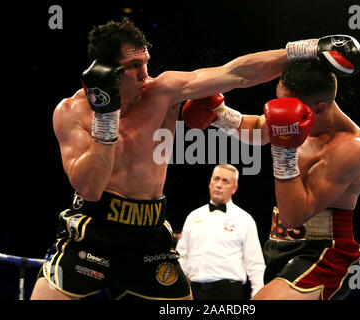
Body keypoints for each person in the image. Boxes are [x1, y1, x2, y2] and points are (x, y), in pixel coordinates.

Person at [29, 17, 332, 300]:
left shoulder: (163, 91)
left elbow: (236, 73)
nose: (145, 75)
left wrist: (305, 49)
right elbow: (90, 188)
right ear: (106, 71)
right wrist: (106, 118)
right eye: (134, 66)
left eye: (145, 62)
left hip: (149, 236)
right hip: (92, 231)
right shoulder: (71, 112)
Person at [182, 35, 360, 300]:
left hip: (325, 254)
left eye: (288, 107)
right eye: (279, 104)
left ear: (318, 107)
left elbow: (294, 215)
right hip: (279, 247)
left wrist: (284, 150)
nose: (281, 112)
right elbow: (256, 129)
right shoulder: (294, 119)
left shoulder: (350, 148)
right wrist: (218, 115)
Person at [176, 164, 265, 300]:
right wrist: (179, 291)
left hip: (228, 293)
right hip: (193, 292)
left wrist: (258, 297)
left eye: (225, 181)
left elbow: (255, 265)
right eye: (216, 179)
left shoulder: (244, 219)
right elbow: (181, 257)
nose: (219, 184)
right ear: (210, 183)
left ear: (234, 188)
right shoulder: (193, 216)